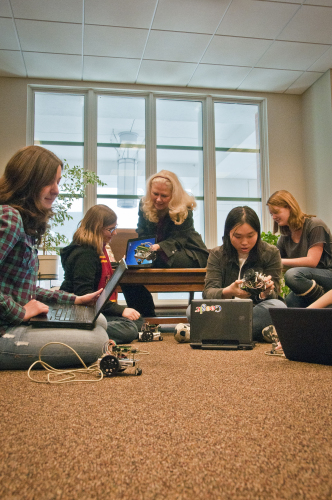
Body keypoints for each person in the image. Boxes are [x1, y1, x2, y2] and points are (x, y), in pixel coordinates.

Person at [0, 146, 109, 370]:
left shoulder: (22, 220)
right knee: (98, 341)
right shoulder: (9, 218)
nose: (57, 190)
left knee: (98, 320)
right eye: (50, 182)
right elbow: (20, 300)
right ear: (28, 181)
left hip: (11, 320)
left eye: (58, 182)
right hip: (5, 328)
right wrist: (21, 312)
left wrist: (75, 300)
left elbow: (23, 289)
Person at [121, 170, 209, 317]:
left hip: (187, 251)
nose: (159, 199)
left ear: (173, 195)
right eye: (155, 194)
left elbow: (180, 238)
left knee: (154, 259)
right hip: (156, 252)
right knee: (127, 270)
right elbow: (142, 232)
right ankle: (145, 315)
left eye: (164, 196)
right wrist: (135, 253)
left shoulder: (184, 206)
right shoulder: (144, 204)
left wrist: (159, 247)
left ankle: (146, 316)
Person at [201, 206, 286, 342]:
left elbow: (274, 294)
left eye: (250, 236)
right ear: (228, 233)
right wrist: (229, 291)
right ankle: (250, 332)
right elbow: (208, 293)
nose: (245, 242)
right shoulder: (217, 254)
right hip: (224, 310)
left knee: (278, 306)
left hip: (255, 310)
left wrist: (265, 293)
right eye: (238, 236)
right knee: (192, 310)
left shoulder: (270, 253)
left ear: (258, 233)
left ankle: (217, 332)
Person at [60, 204, 143, 344]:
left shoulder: (97, 249)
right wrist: (120, 310)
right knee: (129, 328)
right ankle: (81, 331)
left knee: (138, 320)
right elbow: (86, 296)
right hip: (81, 311)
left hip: (93, 309)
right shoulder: (85, 254)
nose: (115, 233)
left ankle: (93, 331)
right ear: (97, 228)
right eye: (111, 229)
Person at [267, 190, 332, 307]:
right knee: (289, 302)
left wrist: (279, 261)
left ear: (290, 207)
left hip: (328, 275)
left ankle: (325, 304)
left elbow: (312, 261)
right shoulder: (284, 237)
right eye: (271, 214)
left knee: (292, 275)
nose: (274, 217)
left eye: (276, 212)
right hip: (310, 281)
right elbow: (274, 264)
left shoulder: (315, 225)